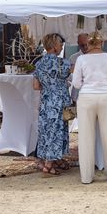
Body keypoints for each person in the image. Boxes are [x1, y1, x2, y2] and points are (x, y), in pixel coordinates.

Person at [71, 32, 107, 184]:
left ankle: (86, 176)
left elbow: (76, 84)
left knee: (85, 137)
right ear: (102, 44)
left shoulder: (81, 59)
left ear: (89, 44)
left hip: (86, 97)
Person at [32, 33, 71, 177]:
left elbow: (36, 86)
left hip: (46, 101)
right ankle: (49, 164)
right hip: (59, 102)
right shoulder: (63, 63)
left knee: (46, 131)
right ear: (54, 46)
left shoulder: (39, 63)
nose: (61, 47)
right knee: (57, 131)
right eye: (60, 44)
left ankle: (51, 160)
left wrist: (48, 86)